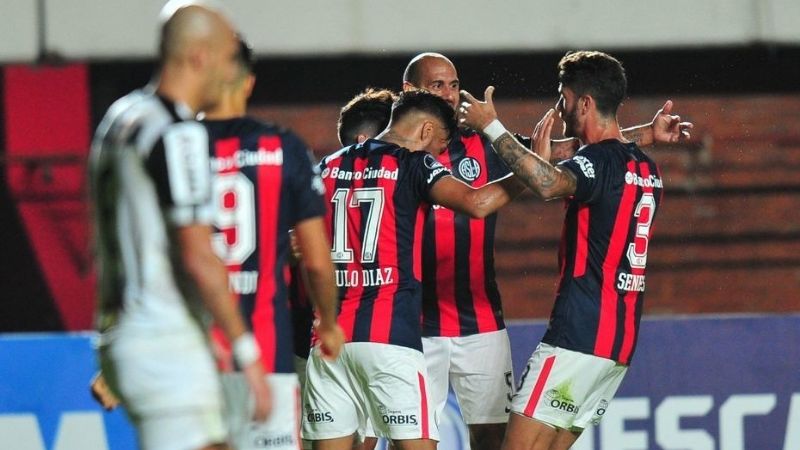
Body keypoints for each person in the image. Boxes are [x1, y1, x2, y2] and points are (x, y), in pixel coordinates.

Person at [401, 52, 691, 449]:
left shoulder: (485, 145)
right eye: (438, 86)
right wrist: (648, 135)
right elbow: (593, 151)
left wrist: (492, 127)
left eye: (454, 85)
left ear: (584, 103)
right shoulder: (645, 169)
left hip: (560, 332)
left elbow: (553, 171)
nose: (451, 94)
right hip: (614, 341)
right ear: (410, 90)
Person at [88, 2, 270, 450]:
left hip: (125, 330)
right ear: (199, 56)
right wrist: (246, 351)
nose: (232, 74)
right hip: (162, 339)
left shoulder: (121, 117)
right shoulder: (177, 132)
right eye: (228, 59)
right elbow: (197, 254)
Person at [301, 90, 525, 450]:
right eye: (440, 147)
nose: (438, 155)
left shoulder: (327, 165)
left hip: (329, 342)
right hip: (390, 341)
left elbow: (295, 239)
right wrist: (526, 175)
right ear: (425, 131)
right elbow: (477, 202)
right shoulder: (411, 163)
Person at [203, 37, 344, 450]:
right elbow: (315, 259)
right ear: (249, 82)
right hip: (267, 353)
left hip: (194, 356)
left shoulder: (170, 147)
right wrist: (328, 322)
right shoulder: (284, 148)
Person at [290, 87, 397, 450]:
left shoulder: (318, 178)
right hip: (323, 339)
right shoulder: (324, 182)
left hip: (350, 336)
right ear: (366, 141)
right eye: (393, 137)